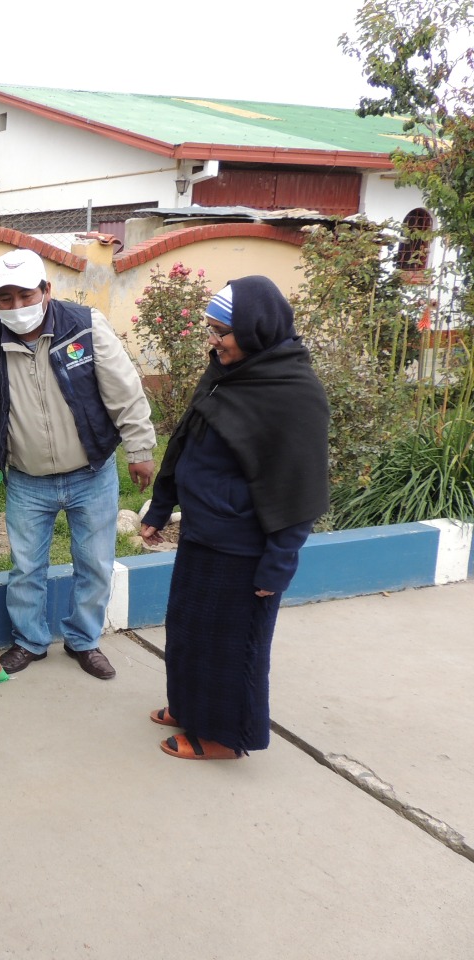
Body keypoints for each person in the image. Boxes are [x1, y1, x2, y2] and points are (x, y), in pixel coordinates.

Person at [140, 276, 329, 760]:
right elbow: (184, 440)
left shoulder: (293, 392)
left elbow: (299, 487)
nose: (213, 341)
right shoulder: (228, 371)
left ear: (256, 328)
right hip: (204, 532)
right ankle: (188, 706)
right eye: (210, 329)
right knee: (188, 630)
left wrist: (279, 565)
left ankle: (225, 736)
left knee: (230, 646)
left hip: (245, 548)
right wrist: (161, 506)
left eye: (222, 331)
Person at [0, 249, 156, 679]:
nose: (17, 307)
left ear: (47, 290)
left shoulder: (84, 327)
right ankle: (29, 641)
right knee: (26, 568)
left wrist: (139, 449)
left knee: (95, 564)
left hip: (92, 474)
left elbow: (124, 391)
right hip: (28, 481)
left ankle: (84, 640)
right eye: (5, 299)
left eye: (26, 295)